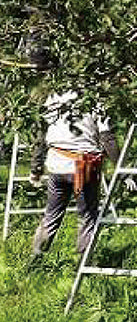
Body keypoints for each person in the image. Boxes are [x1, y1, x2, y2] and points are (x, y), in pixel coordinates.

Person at [28, 88, 123, 261]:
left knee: (51, 216)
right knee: (87, 217)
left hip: (57, 165)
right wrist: (123, 169)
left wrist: (36, 168)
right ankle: (83, 263)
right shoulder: (94, 100)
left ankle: (36, 258)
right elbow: (107, 138)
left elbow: (41, 138)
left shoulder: (52, 98)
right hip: (83, 166)